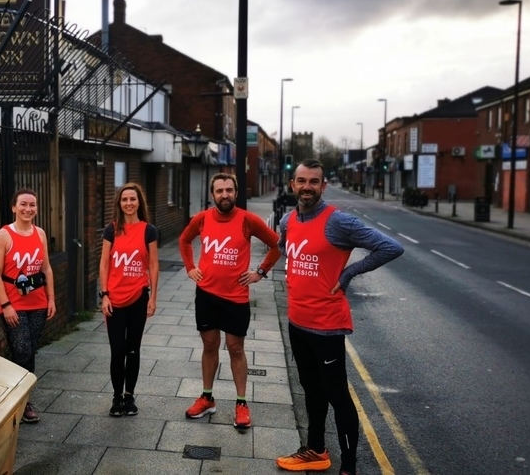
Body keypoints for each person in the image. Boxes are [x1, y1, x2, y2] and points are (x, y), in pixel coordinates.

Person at [275, 159, 404, 475]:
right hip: (297, 322)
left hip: (327, 326)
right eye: (301, 181)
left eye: (314, 182)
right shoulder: (288, 221)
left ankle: (349, 468)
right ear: (292, 184)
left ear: (323, 186)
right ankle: (316, 450)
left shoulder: (338, 222)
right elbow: (283, 247)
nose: (307, 187)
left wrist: (348, 274)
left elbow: (391, 247)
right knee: (311, 389)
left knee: (337, 396)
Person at [178, 173, 282, 430]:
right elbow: (184, 240)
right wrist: (190, 267)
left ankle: (241, 403)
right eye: (219, 191)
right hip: (206, 295)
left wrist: (260, 272)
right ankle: (207, 397)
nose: (224, 195)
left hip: (236, 297)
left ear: (236, 192)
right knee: (209, 346)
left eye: (229, 190)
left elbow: (276, 245)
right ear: (212, 194)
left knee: (235, 348)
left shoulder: (248, 220)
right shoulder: (202, 219)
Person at [0, 188, 56, 424]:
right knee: (22, 350)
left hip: (37, 302)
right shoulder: (4, 236)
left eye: (33, 205)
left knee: (29, 353)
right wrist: (5, 305)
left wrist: (51, 298)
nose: (29, 209)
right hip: (13, 304)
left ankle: (22, 399)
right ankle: (20, 401)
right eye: (24, 204)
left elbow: (46, 268)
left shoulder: (40, 233)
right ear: (14, 207)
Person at [98, 182, 159, 417]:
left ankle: (129, 396)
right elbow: (104, 263)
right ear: (119, 203)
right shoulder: (111, 230)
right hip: (114, 299)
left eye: (133, 199)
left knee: (133, 349)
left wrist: (153, 297)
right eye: (125, 199)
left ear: (139, 202)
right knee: (117, 350)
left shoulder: (149, 230)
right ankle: (116, 398)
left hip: (138, 298)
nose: (129, 203)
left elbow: (153, 265)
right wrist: (104, 295)